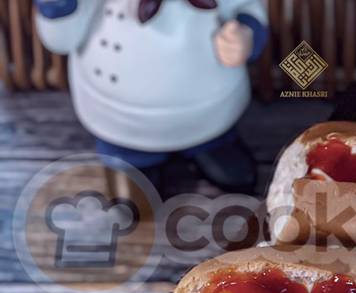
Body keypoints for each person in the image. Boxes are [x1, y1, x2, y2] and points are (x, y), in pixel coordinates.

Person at [35, 0, 268, 194]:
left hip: (211, 108)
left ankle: (213, 145)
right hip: (119, 117)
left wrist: (246, 35)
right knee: (130, 173)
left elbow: (249, 7)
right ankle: (129, 160)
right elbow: (62, 39)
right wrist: (58, 7)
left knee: (217, 137)